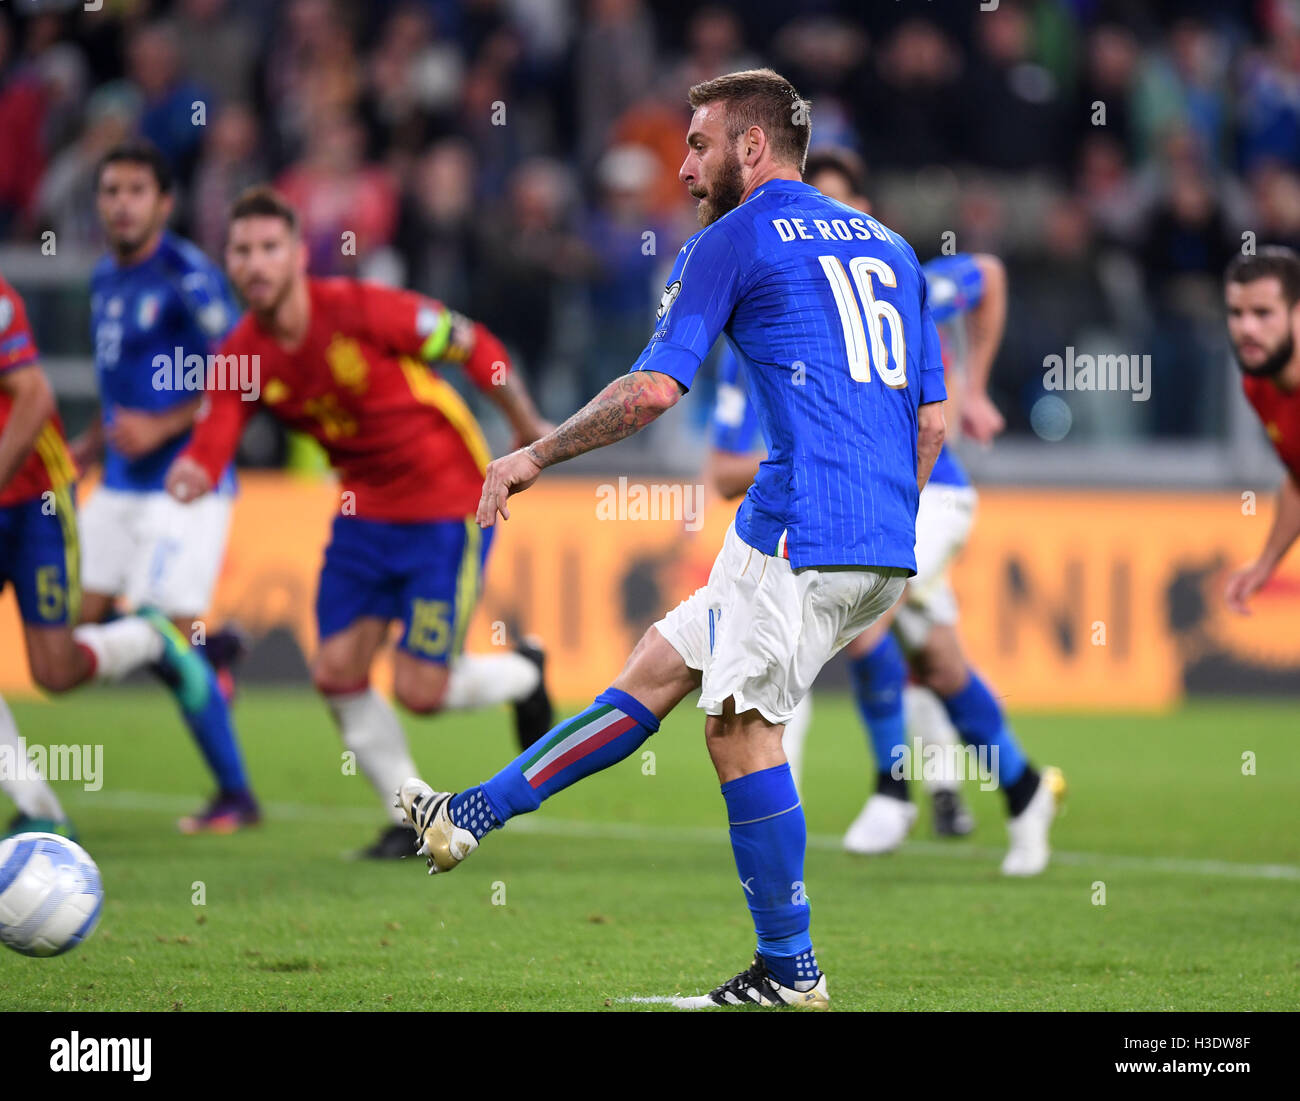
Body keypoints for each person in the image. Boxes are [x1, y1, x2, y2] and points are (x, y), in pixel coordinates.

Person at [395, 68, 947, 1009]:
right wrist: (878, 516)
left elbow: (653, 390)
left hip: (804, 529)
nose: (682, 167)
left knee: (738, 732)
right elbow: (930, 422)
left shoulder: (732, 240)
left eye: (697, 145)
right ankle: (467, 816)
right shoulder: (893, 246)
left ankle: (790, 971)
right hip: (862, 529)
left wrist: (534, 453)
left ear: (753, 147)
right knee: (658, 666)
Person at [165, 187, 555, 859]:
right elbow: (218, 426)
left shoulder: (360, 308)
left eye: (268, 248)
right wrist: (197, 468)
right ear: (226, 260)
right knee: (337, 671)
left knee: (420, 692)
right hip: (363, 512)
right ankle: (416, 818)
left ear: (295, 255)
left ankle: (524, 673)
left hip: (446, 501)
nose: (254, 263)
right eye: (241, 250)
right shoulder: (240, 353)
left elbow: (474, 343)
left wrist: (525, 430)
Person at [0, 272, 228, 840]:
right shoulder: (105, 279)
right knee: (56, 669)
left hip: (33, 501)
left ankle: (149, 637)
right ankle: (41, 809)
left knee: (55, 670)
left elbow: (35, 397)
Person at [73, 140, 258, 835]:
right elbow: (119, 383)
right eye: (111, 191)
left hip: (188, 482)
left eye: (135, 191)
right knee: (77, 639)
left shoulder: (190, 275)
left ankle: (237, 795)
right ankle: (214, 655)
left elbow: (237, 377)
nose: (121, 203)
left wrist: (162, 427)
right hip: (120, 482)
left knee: (160, 633)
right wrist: (96, 440)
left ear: (164, 202)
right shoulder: (102, 279)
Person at [1223, 247, 1300, 612]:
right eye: (1236, 314)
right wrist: (1266, 563)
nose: (1246, 328)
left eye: (1263, 313)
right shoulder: (1258, 385)